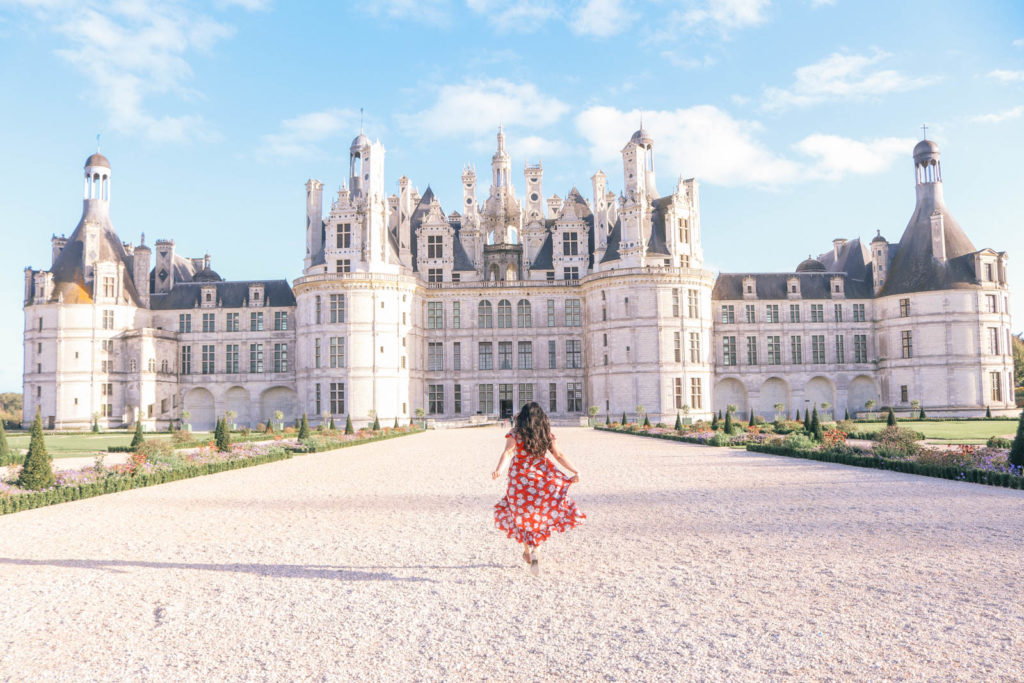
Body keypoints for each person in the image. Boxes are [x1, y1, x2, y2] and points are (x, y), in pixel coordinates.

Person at [492, 402, 585, 576]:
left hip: (520, 480)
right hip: (542, 480)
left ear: (522, 417)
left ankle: (528, 551)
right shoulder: (546, 434)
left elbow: (508, 453)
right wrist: (575, 470)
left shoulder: (515, 433)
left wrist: (499, 470)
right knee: (540, 514)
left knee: (521, 516)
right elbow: (559, 455)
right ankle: (537, 547)